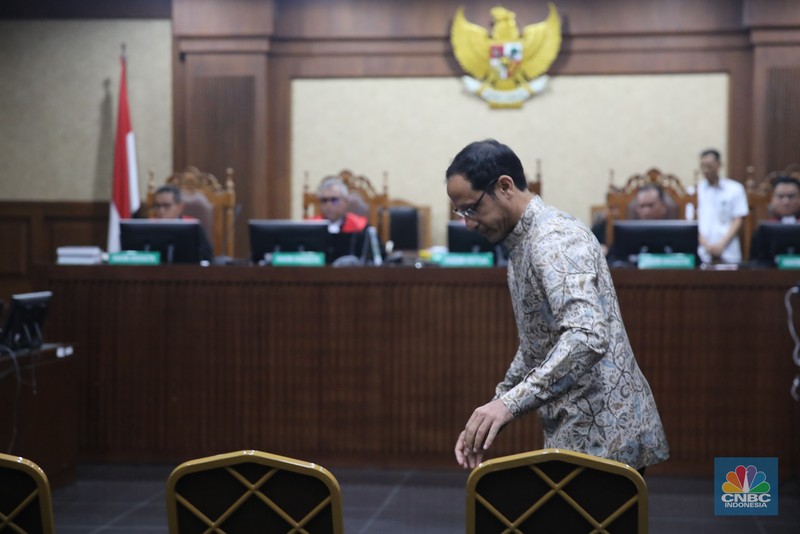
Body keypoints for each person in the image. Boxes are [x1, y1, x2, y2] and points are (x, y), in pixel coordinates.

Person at [446, 139, 669, 472]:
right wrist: (496, 404)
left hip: (604, 436)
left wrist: (509, 404)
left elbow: (586, 336)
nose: (469, 223)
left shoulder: (554, 238)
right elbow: (539, 343)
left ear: (504, 186)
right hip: (577, 430)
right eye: (461, 212)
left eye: (471, 208)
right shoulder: (524, 240)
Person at [696, 149, 749, 264]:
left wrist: (721, 244)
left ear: (719, 165)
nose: (705, 170)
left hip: (728, 249)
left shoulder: (735, 189)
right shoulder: (695, 190)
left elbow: (738, 218)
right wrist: (705, 245)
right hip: (701, 250)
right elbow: (691, 222)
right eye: (702, 166)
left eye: (709, 166)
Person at [591, 183, 673, 255]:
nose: (646, 211)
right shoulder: (622, 229)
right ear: (636, 209)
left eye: (650, 205)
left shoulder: (674, 228)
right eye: (642, 206)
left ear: (663, 207)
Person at [151, 184, 214, 261]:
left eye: (166, 206)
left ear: (180, 207)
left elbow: (206, 256)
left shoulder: (193, 227)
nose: (161, 211)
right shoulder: (149, 227)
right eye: (157, 206)